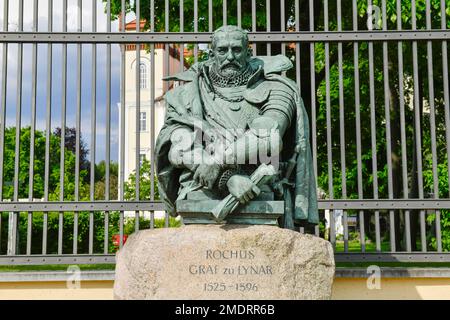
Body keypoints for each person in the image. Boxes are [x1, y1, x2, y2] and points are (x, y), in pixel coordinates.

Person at [155, 25, 318, 229]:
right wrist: (227, 178)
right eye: (222, 50)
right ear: (212, 53)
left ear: (248, 52)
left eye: (237, 50)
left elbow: (269, 135)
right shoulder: (185, 94)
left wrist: (217, 163)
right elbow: (178, 147)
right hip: (200, 187)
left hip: (258, 186)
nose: (230, 56)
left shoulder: (277, 88)